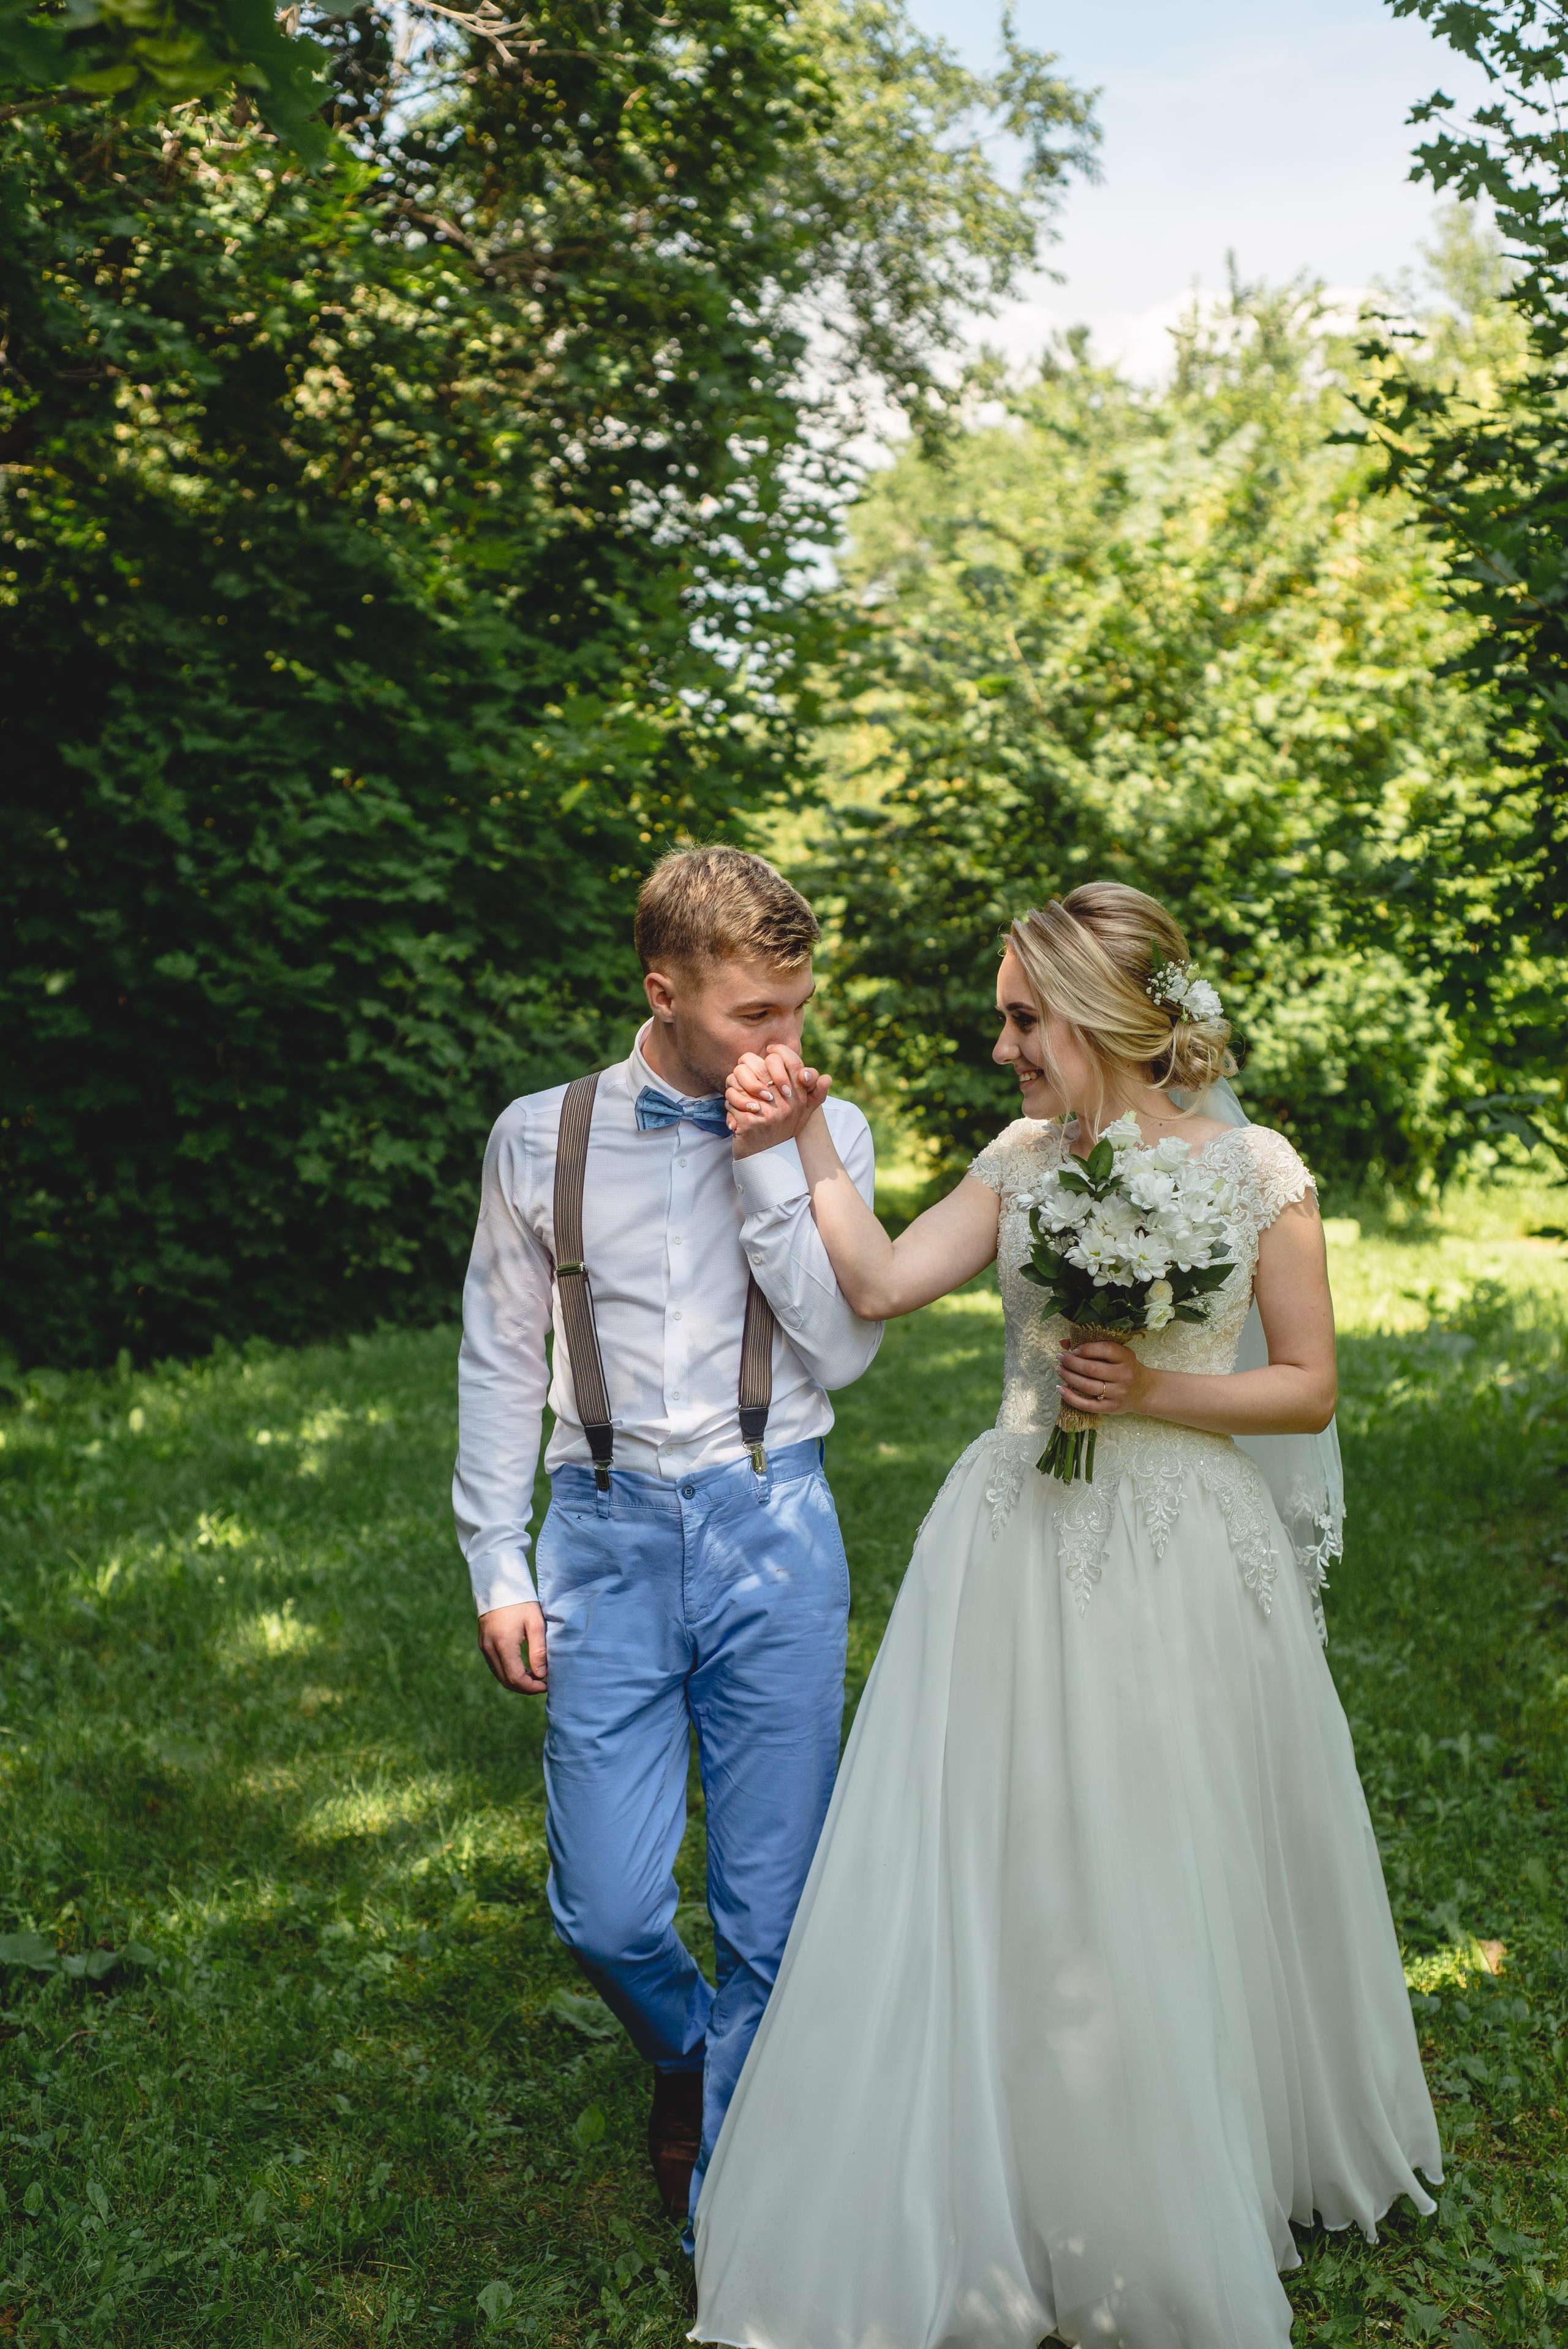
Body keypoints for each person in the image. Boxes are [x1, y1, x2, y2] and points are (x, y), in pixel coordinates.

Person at [693, 882, 1441, 2349]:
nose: (1002, 1048)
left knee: (1169, 1842)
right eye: (1003, 1020)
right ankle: (1003, 2147)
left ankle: (1185, 2156)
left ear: (1099, 1018)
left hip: (1181, 1549)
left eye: (1023, 1021)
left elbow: (1306, 1387)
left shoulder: (1257, 1172)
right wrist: (799, 1146)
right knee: (1010, 1836)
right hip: (1016, 1533)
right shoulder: (1019, 1159)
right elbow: (879, 1282)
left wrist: (1155, 1389)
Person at [452, 845, 881, 2237]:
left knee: (770, 1909)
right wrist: (497, 1559)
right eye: (755, 1014)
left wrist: (771, 1159)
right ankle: (692, 2053)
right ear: (662, 991)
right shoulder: (539, 1136)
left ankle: (736, 2213)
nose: (786, 1040)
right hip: (603, 1535)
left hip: (774, 1519)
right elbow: (498, 1360)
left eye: (797, 1007)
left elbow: (842, 1348)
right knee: (606, 1910)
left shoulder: (829, 1126)